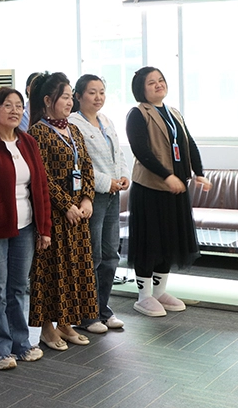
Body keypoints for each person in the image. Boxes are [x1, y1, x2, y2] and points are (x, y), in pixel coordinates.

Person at [0, 88, 51, 370]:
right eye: (7, 105)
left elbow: (40, 187)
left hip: (26, 227)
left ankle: (21, 342)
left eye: (19, 105)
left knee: (18, 288)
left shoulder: (27, 142)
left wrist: (44, 228)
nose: (15, 111)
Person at [124, 67, 210, 318]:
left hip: (176, 188)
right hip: (150, 188)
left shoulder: (173, 113)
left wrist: (199, 172)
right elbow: (141, 151)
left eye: (160, 80)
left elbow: (189, 143)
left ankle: (160, 292)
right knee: (149, 242)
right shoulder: (138, 114)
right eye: (151, 82)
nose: (158, 84)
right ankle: (144, 296)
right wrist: (167, 175)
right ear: (141, 89)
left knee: (169, 241)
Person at [27, 72, 97, 351]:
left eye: (70, 97)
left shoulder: (74, 130)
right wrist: (66, 204)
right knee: (51, 271)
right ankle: (47, 328)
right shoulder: (37, 132)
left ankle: (66, 324)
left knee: (74, 269)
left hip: (79, 213)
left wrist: (87, 199)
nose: (69, 102)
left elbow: (87, 166)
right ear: (48, 100)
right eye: (64, 97)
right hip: (54, 214)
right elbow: (41, 176)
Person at [69, 74, 130, 333]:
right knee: (92, 255)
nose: (98, 97)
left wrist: (123, 175)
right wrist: (107, 182)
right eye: (92, 92)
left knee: (110, 254)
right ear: (79, 96)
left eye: (102, 92)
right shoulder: (74, 123)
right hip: (92, 196)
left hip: (113, 194)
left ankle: (103, 309)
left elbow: (119, 153)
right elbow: (80, 164)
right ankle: (87, 315)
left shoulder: (106, 120)